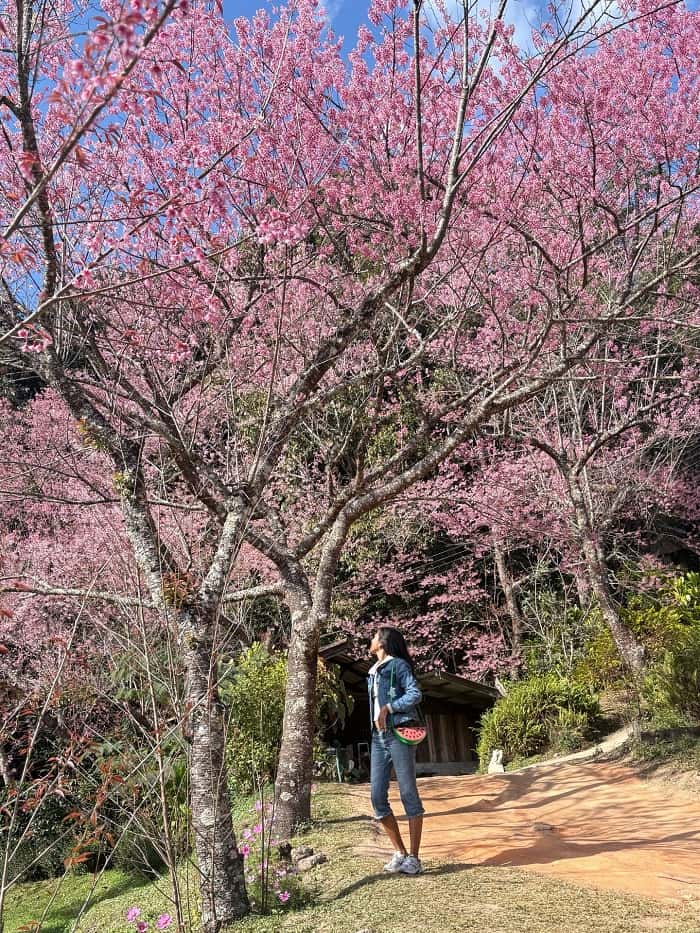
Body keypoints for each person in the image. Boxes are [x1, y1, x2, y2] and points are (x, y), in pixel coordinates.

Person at [367, 625, 424, 875]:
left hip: (399, 734)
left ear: (383, 642)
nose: (371, 640)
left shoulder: (398, 665)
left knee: (408, 793)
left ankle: (415, 858)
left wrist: (389, 708)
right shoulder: (373, 672)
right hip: (378, 738)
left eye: (374, 637)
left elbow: (415, 694)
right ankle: (400, 852)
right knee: (377, 797)